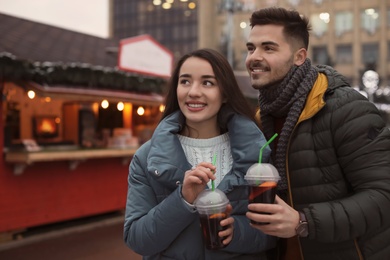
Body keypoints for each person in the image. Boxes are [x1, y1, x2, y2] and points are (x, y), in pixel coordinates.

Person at [244, 6, 390, 260]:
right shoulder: (261, 117)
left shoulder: (345, 108)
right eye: (251, 48)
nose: (254, 57)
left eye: (268, 48)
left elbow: (383, 196)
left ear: (300, 56)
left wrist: (304, 222)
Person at [123, 48, 277, 259]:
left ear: (225, 94)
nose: (193, 92)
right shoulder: (147, 158)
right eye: (185, 81)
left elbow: (275, 232)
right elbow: (137, 239)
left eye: (207, 82)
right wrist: (183, 199)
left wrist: (237, 233)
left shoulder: (256, 153)